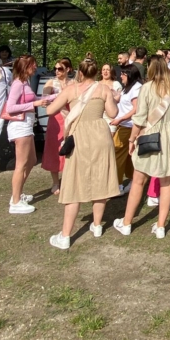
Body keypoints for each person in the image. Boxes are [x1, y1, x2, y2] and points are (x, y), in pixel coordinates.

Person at [45, 58, 120, 249]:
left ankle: (65, 235)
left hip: (79, 136)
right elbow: (113, 113)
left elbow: (50, 110)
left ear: (80, 72)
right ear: (96, 72)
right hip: (100, 135)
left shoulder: (71, 90)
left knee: (74, 183)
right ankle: (97, 225)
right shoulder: (103, 89)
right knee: (101, 178)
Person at [114, 55, 170, 239]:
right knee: (167, 181)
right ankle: (160, 227)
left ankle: (126, 223)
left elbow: (139, 119)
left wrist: (132, 140)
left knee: (138, 180)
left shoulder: (146, 88)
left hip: (150, 135)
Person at [4, 55, 51, 214]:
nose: (36, 67)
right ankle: (15, 202)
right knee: (21, 164)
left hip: (27, 125)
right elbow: (10, 107)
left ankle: (17, 194)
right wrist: (35, 104)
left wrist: (53, 97)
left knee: (31, 160)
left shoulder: (25, 82)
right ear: (25, 67)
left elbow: (34, 99)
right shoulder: (18, 83)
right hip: (20, 127)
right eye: (33, 64)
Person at [41, 57, 75, 194]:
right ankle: (55, 182)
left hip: (70, 118)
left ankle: (68, 180)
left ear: (68, 69)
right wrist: (56, 99)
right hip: (55, 119)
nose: (57, 71)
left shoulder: (74, 83)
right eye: (55, 69)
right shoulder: (51, 82)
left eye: (60, 68)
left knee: (70, 147)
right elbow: (44, 101)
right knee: (54, 148)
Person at [112, 64, 142, 194]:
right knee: (128, 155)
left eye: (123, 74)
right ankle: (131, 178)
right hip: (124, 125)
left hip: (128, 126)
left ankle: (117, 185)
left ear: (129, 75)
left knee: (117, 154)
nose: (121, 76)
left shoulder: (136, 88)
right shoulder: (127, 88)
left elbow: (135, 109)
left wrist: (120, 119)